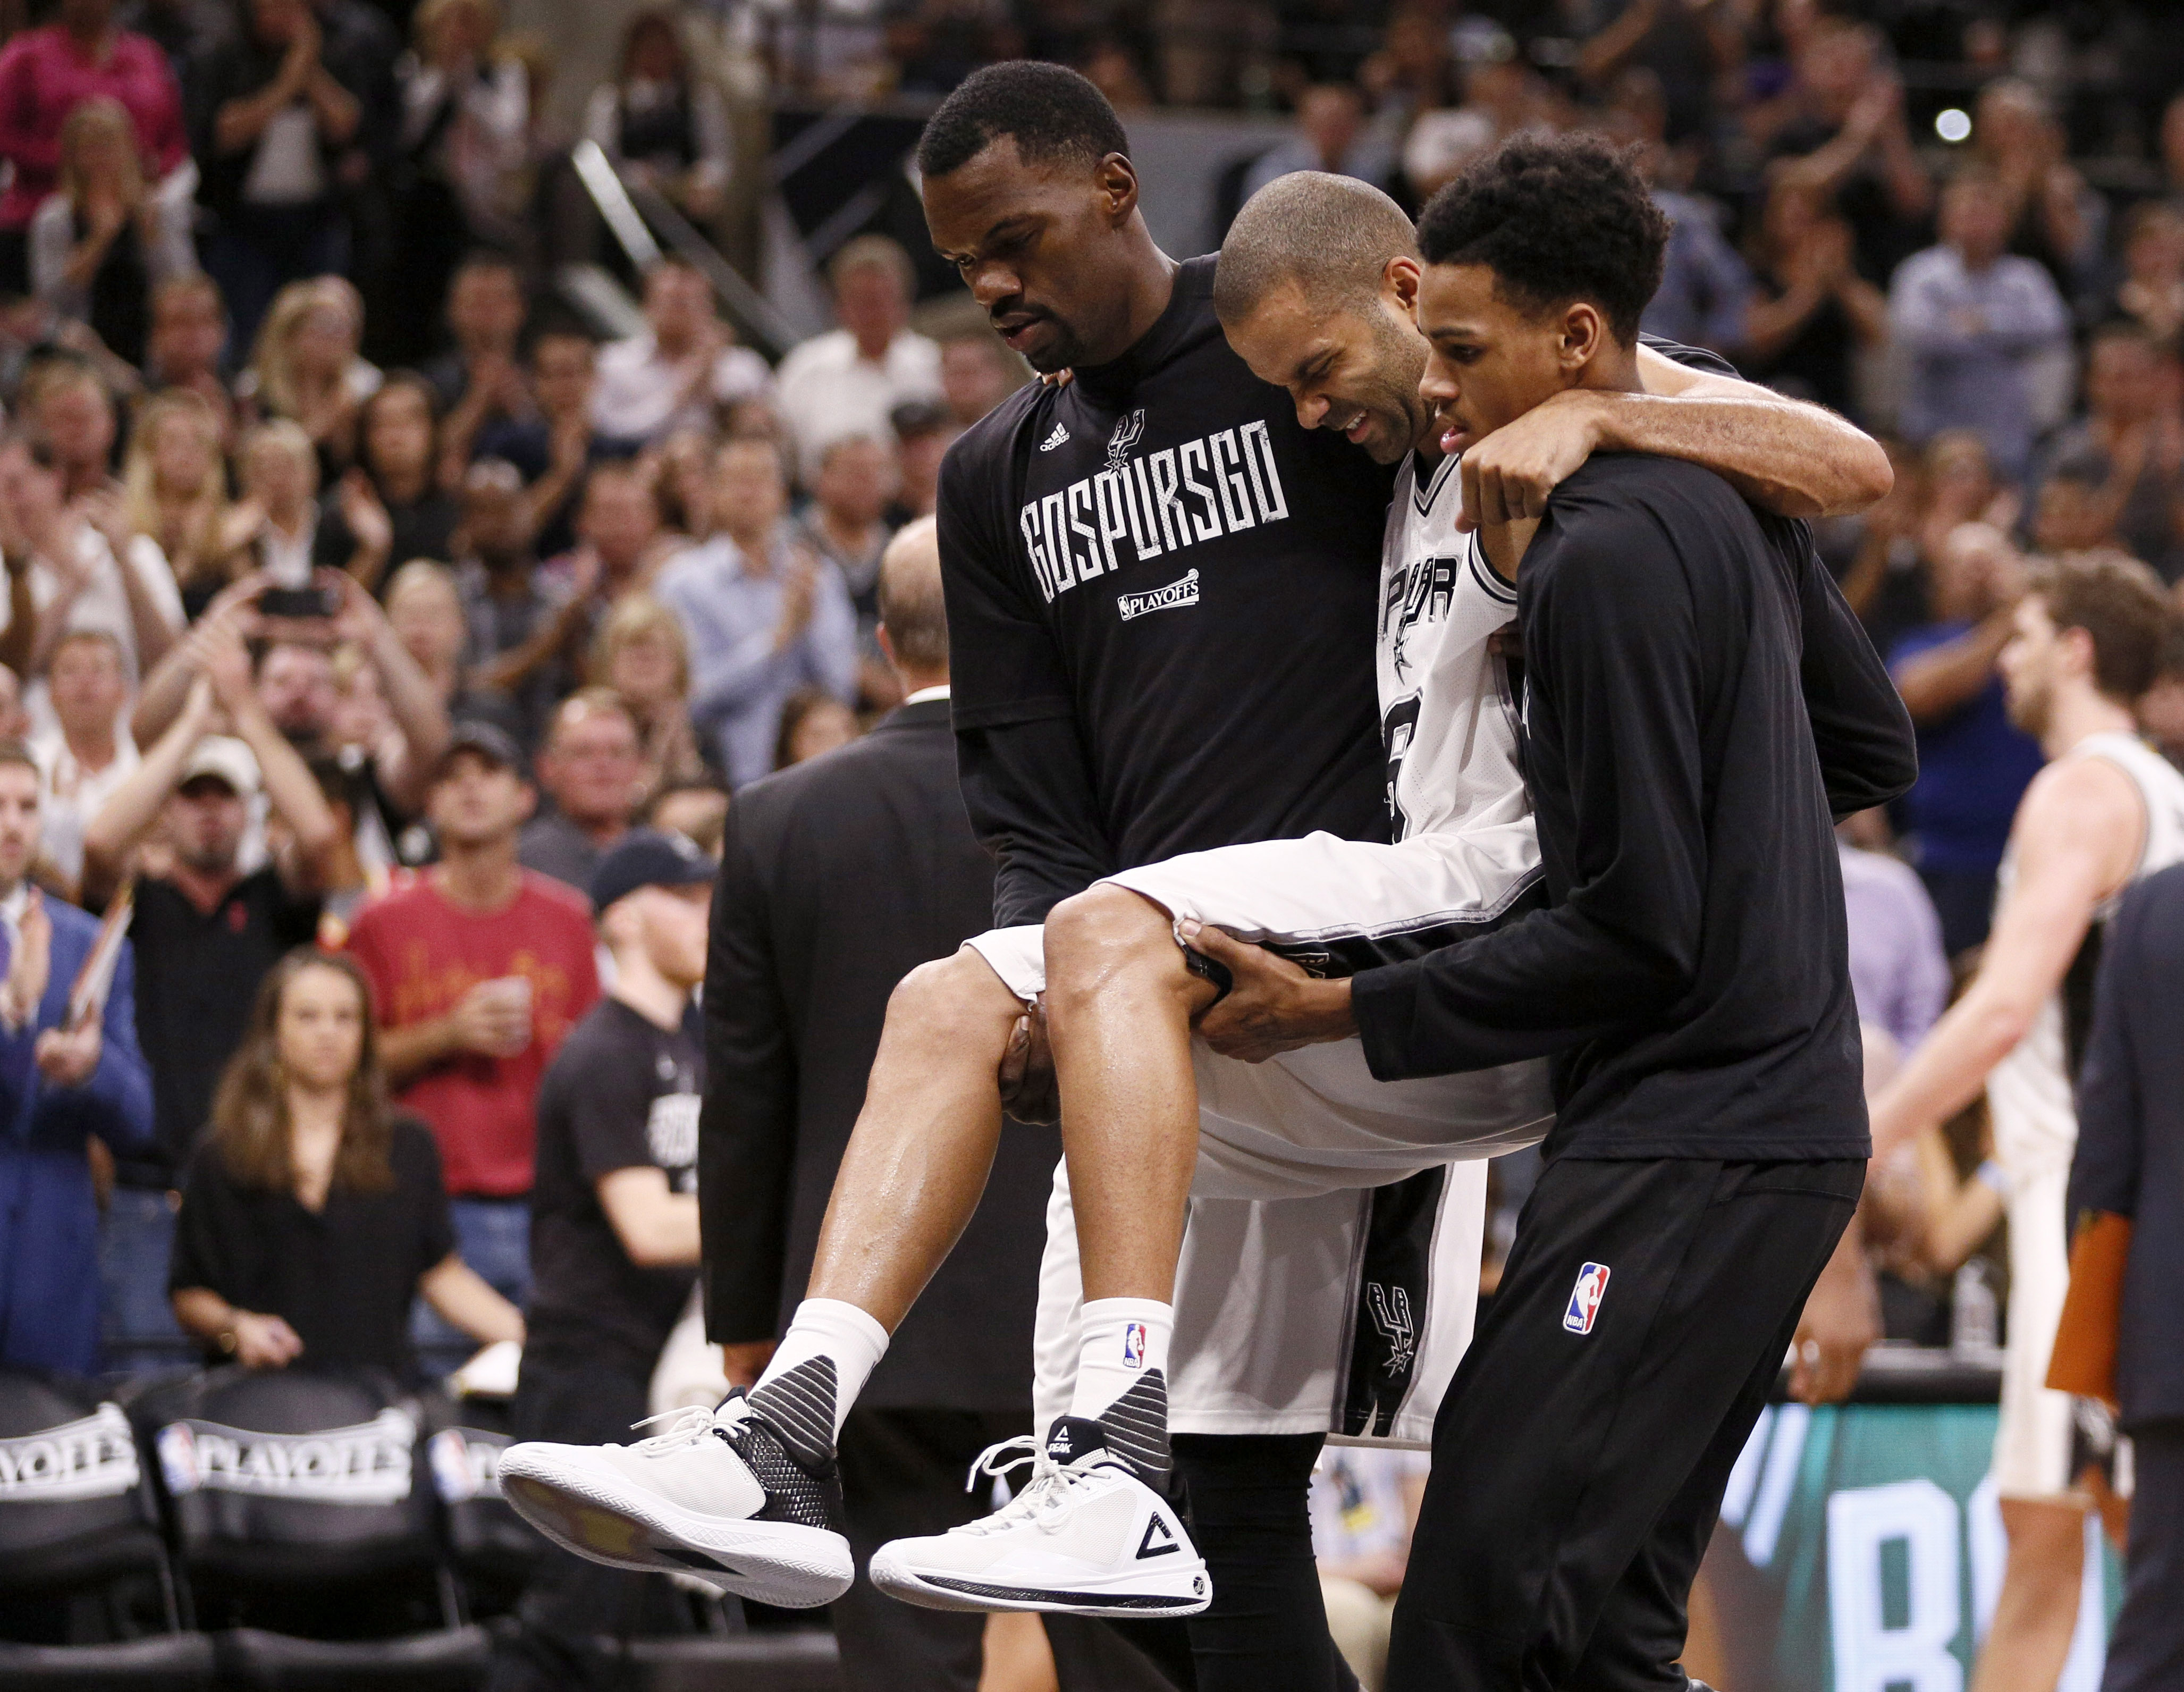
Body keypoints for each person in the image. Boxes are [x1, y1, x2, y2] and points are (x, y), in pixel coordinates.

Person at [497, 74, 1892, 1678]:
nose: (1314, 415)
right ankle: (780, 1427)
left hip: (1467, 908)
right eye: (964, 265)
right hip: (1271, 948)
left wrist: (1607, 413)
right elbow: (1035, 816)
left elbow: (1840, 492)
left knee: (1502, 1596)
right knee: (949, 992)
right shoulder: (1181, 443)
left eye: (1323, 376)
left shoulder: (1538, 415)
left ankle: (1108, 1447)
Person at [502, 522, 1063, 1692]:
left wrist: (752, 1331)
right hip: (1070, 1289)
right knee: (1111, 1640)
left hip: (864, 1315)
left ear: (881, 644)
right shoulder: (1093, 793)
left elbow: (741, 1101)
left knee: (904, 1649)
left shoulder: (776, 816)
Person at [1862, 552, 2184, 1692]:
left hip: (2086, 1212)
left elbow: (2000, 1007)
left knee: (2047, 1542)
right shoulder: (2159, 791)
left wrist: (1874, 1131)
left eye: (2025, 633)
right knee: (2095, 1539)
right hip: (2132, 1204)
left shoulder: (2081, 789)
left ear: (2077, 649)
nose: (2006, 656)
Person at [487, 828, 713, 1689]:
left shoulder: (701, 1046)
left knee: (642, 1624)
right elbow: (649, 1228)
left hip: (669, 1362)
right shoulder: (601, 1053)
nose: (706, 914)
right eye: (683, 897)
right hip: (592, 1360)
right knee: (576, 1611)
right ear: (622, 918)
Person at [344, 721, 599, 1373]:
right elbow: (340, 1066)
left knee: (550, 1402)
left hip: (548, 1206)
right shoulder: (381, 922)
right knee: (435, 1406)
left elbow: (598, 1069)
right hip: (428, 1208)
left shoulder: (569, 919)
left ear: (524, 795)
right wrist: (444, 1035)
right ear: (428, 804)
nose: (469, 788)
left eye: (487, 773)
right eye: (451, 777)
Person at [168, 948, 522, 1379]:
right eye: (308, 1016)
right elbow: (188, 1293)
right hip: (257, 1406)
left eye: (345, 1017)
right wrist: (235, 1327)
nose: (328, 1032)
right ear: (273, 1032)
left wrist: (536, 1339)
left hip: (377, 1401)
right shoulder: (221, 1152)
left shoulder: (408, 1145)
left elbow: (441, 1275)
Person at [0, 739, 155, 1375]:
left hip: (53, 1258)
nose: (12, 824)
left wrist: (90, 1068)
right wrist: (11, 1013)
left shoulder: (87, 941)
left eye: (27, 806)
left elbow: (139, 1118)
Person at [2068, 863, 2184, 1692]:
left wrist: (2098, 1360)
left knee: (2160, 1641)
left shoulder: (2149, 909)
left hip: (2173, 1343)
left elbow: (2103, 1163)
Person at [654, 435, 855, 787]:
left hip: (814, 776)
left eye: (761, 478)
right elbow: (692, 696)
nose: (749, 491)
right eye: (736, 480)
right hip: (722, 777)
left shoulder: (817, 576)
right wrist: (777, 640)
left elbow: (841, 687)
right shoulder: (683, 582)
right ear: (714, 492)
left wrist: (809, 625)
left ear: (783, 494)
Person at [1888, 520, 2046, 955]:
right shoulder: (1921, 644)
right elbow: (1918, 695)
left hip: (2036, 856)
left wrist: (2025, 612)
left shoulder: (2042, 646)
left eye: (1989, 563)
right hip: (1950, 864)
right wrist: (2005, 619)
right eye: (1964, 566)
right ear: (1938, 581)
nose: (1978, 576)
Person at [189, 0, 368, 348]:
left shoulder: (335, 53)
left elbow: (345, 125)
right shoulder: (225, 57)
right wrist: (288, 82)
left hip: (316, 219)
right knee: (248, 335)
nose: (281, 16)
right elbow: (224, 133)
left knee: (320, 329)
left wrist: (308, 64)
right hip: (244, 223)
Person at [1889, 167, 2070, 484]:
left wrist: (1982, 322)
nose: (1976, 224)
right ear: (1946, 219)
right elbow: (1917, 334)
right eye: (1966, 213)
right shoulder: (1921, 273)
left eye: (1986, 214)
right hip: (1932, 433)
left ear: (2006, 222)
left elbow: (2052, 328)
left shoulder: (2026, 277)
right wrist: (2007, 337)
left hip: (2006, 436)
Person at [0, 0, 188, 292]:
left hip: (139, 208)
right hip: (41, 213)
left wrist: (144, 179)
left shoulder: (147, 54)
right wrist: (79, 167)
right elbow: (5, 133)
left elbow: (175, 138)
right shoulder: (26, 55)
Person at [0, 429, 182, 691]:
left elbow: (172, 663)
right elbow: (16, 672)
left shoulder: (134, 550)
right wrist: (71, 586)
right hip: (38, 729)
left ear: (55, 477)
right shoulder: (7, 572)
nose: (7, 502)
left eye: (15, 485)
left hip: (135, 723)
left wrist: (124, 562)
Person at [28, 96, 194, 367]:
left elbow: (183, 285)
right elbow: (50, 301)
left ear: (130, 149)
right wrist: (99, 239)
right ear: (72, 156)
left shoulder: (155, 210)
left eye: (109, 145)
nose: (100, 157)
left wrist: (152, 237)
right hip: (80, 348)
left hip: (147, 344)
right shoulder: (55, 217)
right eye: (90, 147)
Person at [773, 235, 943, 477]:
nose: (873, 313)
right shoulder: (803, 368)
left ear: (905, 303)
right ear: (839, 306)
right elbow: (782, 455)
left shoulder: (933, 364)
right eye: (862, 301)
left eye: (883, 300)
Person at [2035, 323, 2184, 584]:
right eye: (2118, 378)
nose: (2128, 389)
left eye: (2139, 377)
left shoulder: (2174, 446)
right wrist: (2126, 473)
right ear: (2093, 383)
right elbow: (2064, 536)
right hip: (2089, 577)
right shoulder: (2070, 451)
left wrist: (2172, 478)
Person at [591, 257, 771, 447]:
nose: (679, 313)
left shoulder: (745, 368)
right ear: (646, 305)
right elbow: (604, 432)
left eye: (687, 302)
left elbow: (769, 440)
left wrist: (714, 389)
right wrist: (684, 388)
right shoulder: (612, 362)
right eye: (671, 301)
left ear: (711, 308)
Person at [582, 7, 731, 227]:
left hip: (686, 215)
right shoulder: (612, 102)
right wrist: (635, 177)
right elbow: (598, 162)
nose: (656, 55)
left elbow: (718, 157)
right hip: (629, 219)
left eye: (663, 47)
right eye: (648, 48)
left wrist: (704, 182)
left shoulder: (698, 99)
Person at [318, 374, 460, 595]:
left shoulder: (461, 507)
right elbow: (328, 614)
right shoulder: (341, 512)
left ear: (434, 430)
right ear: (364, 437)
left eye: (409, 422)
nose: (396, 436)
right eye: (383, 424)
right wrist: (372, 549)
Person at [240, 275, 381, 479]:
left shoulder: (364, 392)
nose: (335, 338)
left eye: (343, 328)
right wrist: (323, 425)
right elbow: (256, 468)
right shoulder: (255, 392)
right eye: (323, 326)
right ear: (289, 336)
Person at [32, 629, 136, 895]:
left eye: (99, 671)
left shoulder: (144, 770)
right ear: (50, 693)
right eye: (70, 671)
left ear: (123, 691)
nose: (85, 682)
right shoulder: (29, 765)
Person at [517, 687, 643, 896]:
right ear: (547, 768)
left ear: (640, 766)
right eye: (584, 753)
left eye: (618, 753)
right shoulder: (522, 863)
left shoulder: (662, 857)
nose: (603, 765)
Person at [590, 592, 703, 790]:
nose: (645, 659)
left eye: (656, 648)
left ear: (678, 664)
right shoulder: (588, 729)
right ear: (608, 662)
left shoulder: (701, 728)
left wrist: (686, 758)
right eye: (633, 648)